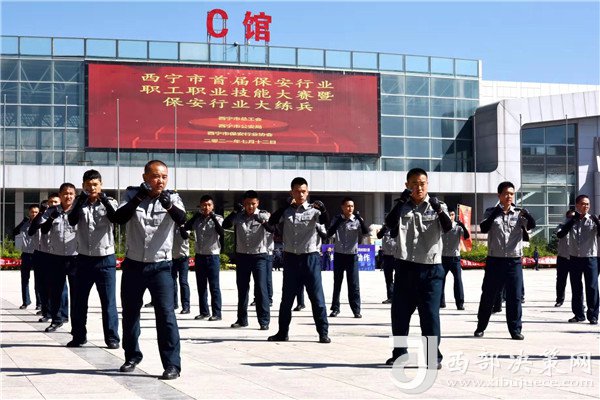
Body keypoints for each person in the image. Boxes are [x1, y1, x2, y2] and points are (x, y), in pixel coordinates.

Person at [112, 160, 185, 380]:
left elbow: (182, 219)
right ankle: (132, 356)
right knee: (130, 313)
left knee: (166, 315)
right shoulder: (131, 195)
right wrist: (138, 198)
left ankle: (172, 364)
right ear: (145, 177)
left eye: (164, 176)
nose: (160, 180)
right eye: (155, 176)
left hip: (161, 266)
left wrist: (169, 206)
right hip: (134, 265)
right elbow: (118, 218)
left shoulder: (172, 197)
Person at [384, 168, 452, 369]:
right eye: (414, 183)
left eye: (422, 183)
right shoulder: (401, 206)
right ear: (407, 185)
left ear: (427, 184)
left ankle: (433, 356)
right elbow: (389, 223)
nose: (418, 187)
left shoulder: (438, 205)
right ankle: (399, 354)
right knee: (399, 316)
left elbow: (447, 227)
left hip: (431, 269)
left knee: (430, 316)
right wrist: (401, 202)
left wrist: (438, 209)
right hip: (405, 268)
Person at [266, 177, 330, 343]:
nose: (300, 194)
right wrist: (283, 206)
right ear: (291, 193)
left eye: (303, 191)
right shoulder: (286, 211)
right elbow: (271, 223)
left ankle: (323, 333)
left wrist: (324, 211)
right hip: (291, 259)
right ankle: (282, 332)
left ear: (307, 192)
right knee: (287, 300)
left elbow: (327, 225)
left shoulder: (315, 211)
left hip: (310, 258)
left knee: (317, 298)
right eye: (297, 191)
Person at [474, 181, 535, 340]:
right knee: (488, 294)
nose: (509, 196)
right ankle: (481, 326)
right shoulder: (490, 212)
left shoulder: (519, 213)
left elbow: (531, 225)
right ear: (499, 195)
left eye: (512, 194)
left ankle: (515, 329)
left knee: (514, 297)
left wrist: (528, 215)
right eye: (506, 193)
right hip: (495, 260)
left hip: (514, 261)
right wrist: (495, 213)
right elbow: (484, 228)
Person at [66, 169, 120, 349]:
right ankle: (78, 336)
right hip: (83, 259)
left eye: (95, 184)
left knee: (108, 302)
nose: (92, 188)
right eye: (88, 185)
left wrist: (104, 200)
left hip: (105, 259)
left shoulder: (110, 201)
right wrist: (80, 201)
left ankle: (112, 337)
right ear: (83, 186)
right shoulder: (79, 203)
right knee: (79, 301)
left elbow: (116, 218)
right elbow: (72, 221)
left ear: (101, 185)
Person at [223, 191, 271, 330]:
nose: (250, 206)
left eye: (253, 204)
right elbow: (225, 225)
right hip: (243, 256)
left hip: (259, 256)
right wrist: (234, 212)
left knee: (261, 289)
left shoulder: (263, 214)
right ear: (244, 203)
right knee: (242, 289)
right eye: (247, 204)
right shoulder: (239, 216)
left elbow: (273, 229)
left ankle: (264, 321)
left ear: (258, 203)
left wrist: (262, 221)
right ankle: (242, 319)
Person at [37, 183, 78, 333]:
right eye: (65, 193)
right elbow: (43, 229)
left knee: (77, 294)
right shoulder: (51, 211)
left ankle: (77, 325)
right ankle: (56, 319)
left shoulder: (79, 211)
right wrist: (50, 218)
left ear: (75, 195)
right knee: (55, 291)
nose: (68, 196)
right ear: (60, 196)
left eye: (71, 193)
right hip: (56, 257)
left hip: (75, 257)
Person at [556, 195, 599, 325]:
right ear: (577, 205)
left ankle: (593, 315)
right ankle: (578, 314)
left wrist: (597, 222)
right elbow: (560, 234)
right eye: (583, 204)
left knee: (592, 287)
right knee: (576, 287)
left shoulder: (592, 220)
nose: (586, 206)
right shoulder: (571, 221)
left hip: (590, 258)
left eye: (588, 204)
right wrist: (572, 221)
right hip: (574, 258)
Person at [183, 195, 224, 322]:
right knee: (201, 286)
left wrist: (213, 217)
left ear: (213, 206)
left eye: (209, 205)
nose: (206, 207)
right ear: (200, 206)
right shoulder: (198, 220)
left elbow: (221, 232)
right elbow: (187, 227)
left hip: (212, 256)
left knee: (214, 286)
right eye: (204, 205)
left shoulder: (218, 218)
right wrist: (195, 216)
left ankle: (217, 313)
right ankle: (204, 311)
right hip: (200, 256)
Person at [29, 194, 68, 324]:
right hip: (40, 254)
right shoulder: (43, 216)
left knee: (60, 287)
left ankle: (63, 314)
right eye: (50, 202)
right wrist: (41, 212)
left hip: (55, 253)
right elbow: (31, 230)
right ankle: (47, 312)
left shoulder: (63, 215)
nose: (53, 204)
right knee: (42, 285)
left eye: (55, 202)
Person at [327, 197, 369, 318]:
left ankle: (356, 310)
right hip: (339, 255)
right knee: (337, 283)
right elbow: (329, 233)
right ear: (342, 207)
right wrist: (339, 221)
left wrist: (360, 219)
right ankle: (335, 308)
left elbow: (365, 232)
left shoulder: (357, 220)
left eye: (352, 206)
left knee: (354, 285)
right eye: (347, 206)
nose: (350, 208)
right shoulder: (337, 219)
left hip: (352, 256)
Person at [13, 204, 41, 310]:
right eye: (32, 212)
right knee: (24, 279)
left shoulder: (41, 223)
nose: (34, 214)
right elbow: (14, 232)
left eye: (36, 212)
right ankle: (26, 301)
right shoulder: (25, 224)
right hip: (26, 254)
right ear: (29, 213)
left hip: (37, 254)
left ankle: (39, 303)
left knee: (38, 280)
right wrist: (22, 222)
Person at [440, 210, 469, 310]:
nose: (450, 216)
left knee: (458, 280)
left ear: (454, 215)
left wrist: (463, 225)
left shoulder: (457, 226)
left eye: (452, 214)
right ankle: (441, 302)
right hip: (443, 257)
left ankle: (460, 303)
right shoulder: (441, 225)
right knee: (440, 280)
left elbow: (466, 236)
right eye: (448, 214)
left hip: (455, 258)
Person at [554, 211, 573, 307]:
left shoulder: (578, 227)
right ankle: (559, 300)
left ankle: (579, 301)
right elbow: (559, 234)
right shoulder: (561, 226)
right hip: (562, 257)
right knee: (561, 280)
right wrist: (568, 225)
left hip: (574, 257)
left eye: (573, 217)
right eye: (569, 217)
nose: (571, 219)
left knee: (576, 281)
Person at [172, 224, 191, 314]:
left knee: (183, 282)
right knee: (172, 282)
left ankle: (186, 306)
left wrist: (181, 226)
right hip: (172, 257)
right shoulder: (171, 225)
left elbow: (185, 236)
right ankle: (174, 303)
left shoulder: (186, 226)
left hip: (183, 257)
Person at [377, 224, 397, 304]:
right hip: (387, 256)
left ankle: (399, 297)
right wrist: (384, 228)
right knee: (388, 278)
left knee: (399, 278)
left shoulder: (399, 226)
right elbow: (379, 236)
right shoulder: (385, 227)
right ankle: (390, 297)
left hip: (397, 256)